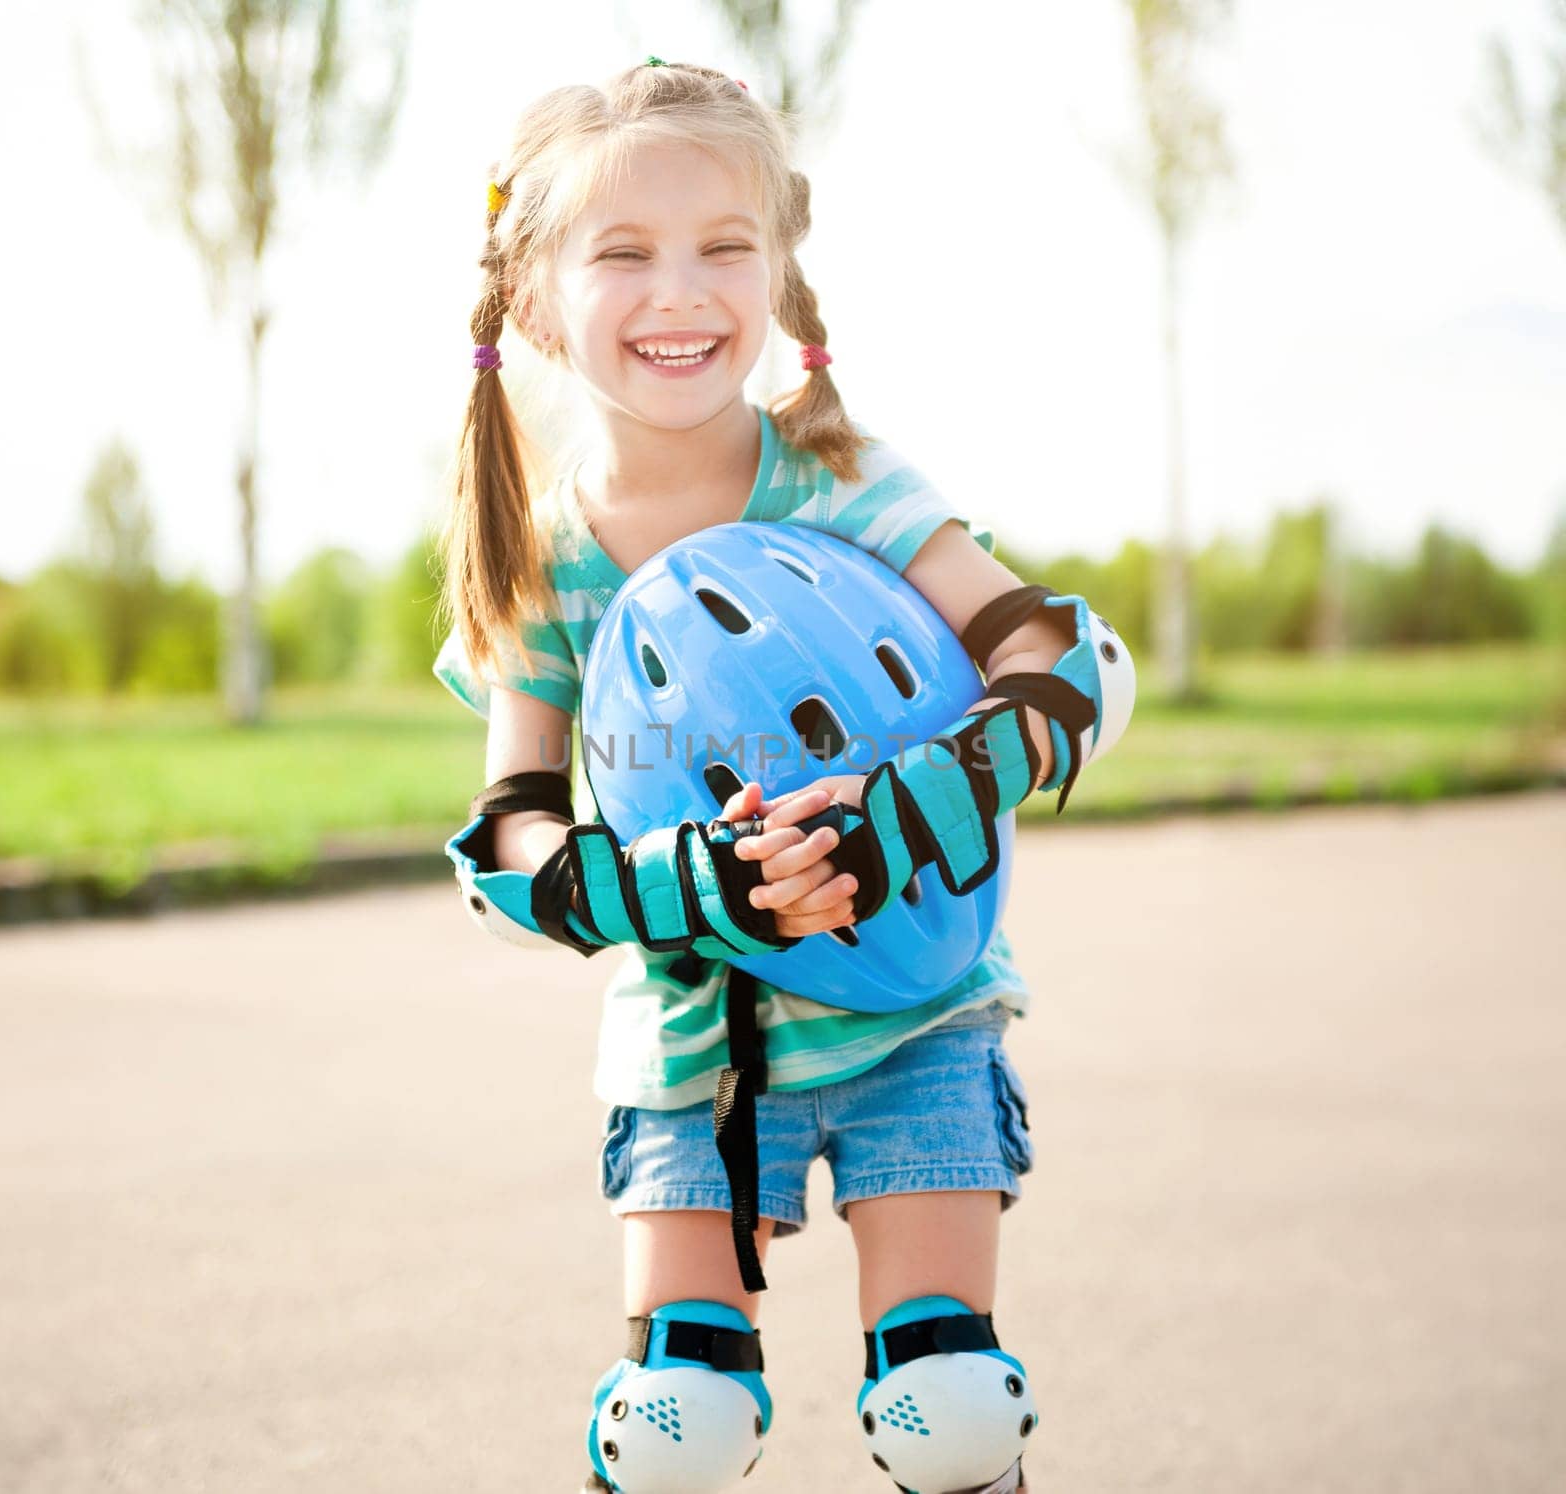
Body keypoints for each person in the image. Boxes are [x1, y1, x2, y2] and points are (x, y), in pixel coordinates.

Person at [432, 59, 1131, 1494]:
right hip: (691, 1036)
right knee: (677, 1427)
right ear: (540, 302)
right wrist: (687, 882)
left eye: (722, 249)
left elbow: (1066, 663)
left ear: (778, 270)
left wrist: (896, 827)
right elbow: (508, 837)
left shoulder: (843, 476)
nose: (679, 292)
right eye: (623, 253)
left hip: (915, 1008)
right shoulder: (545, 558)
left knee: (952, 1408)